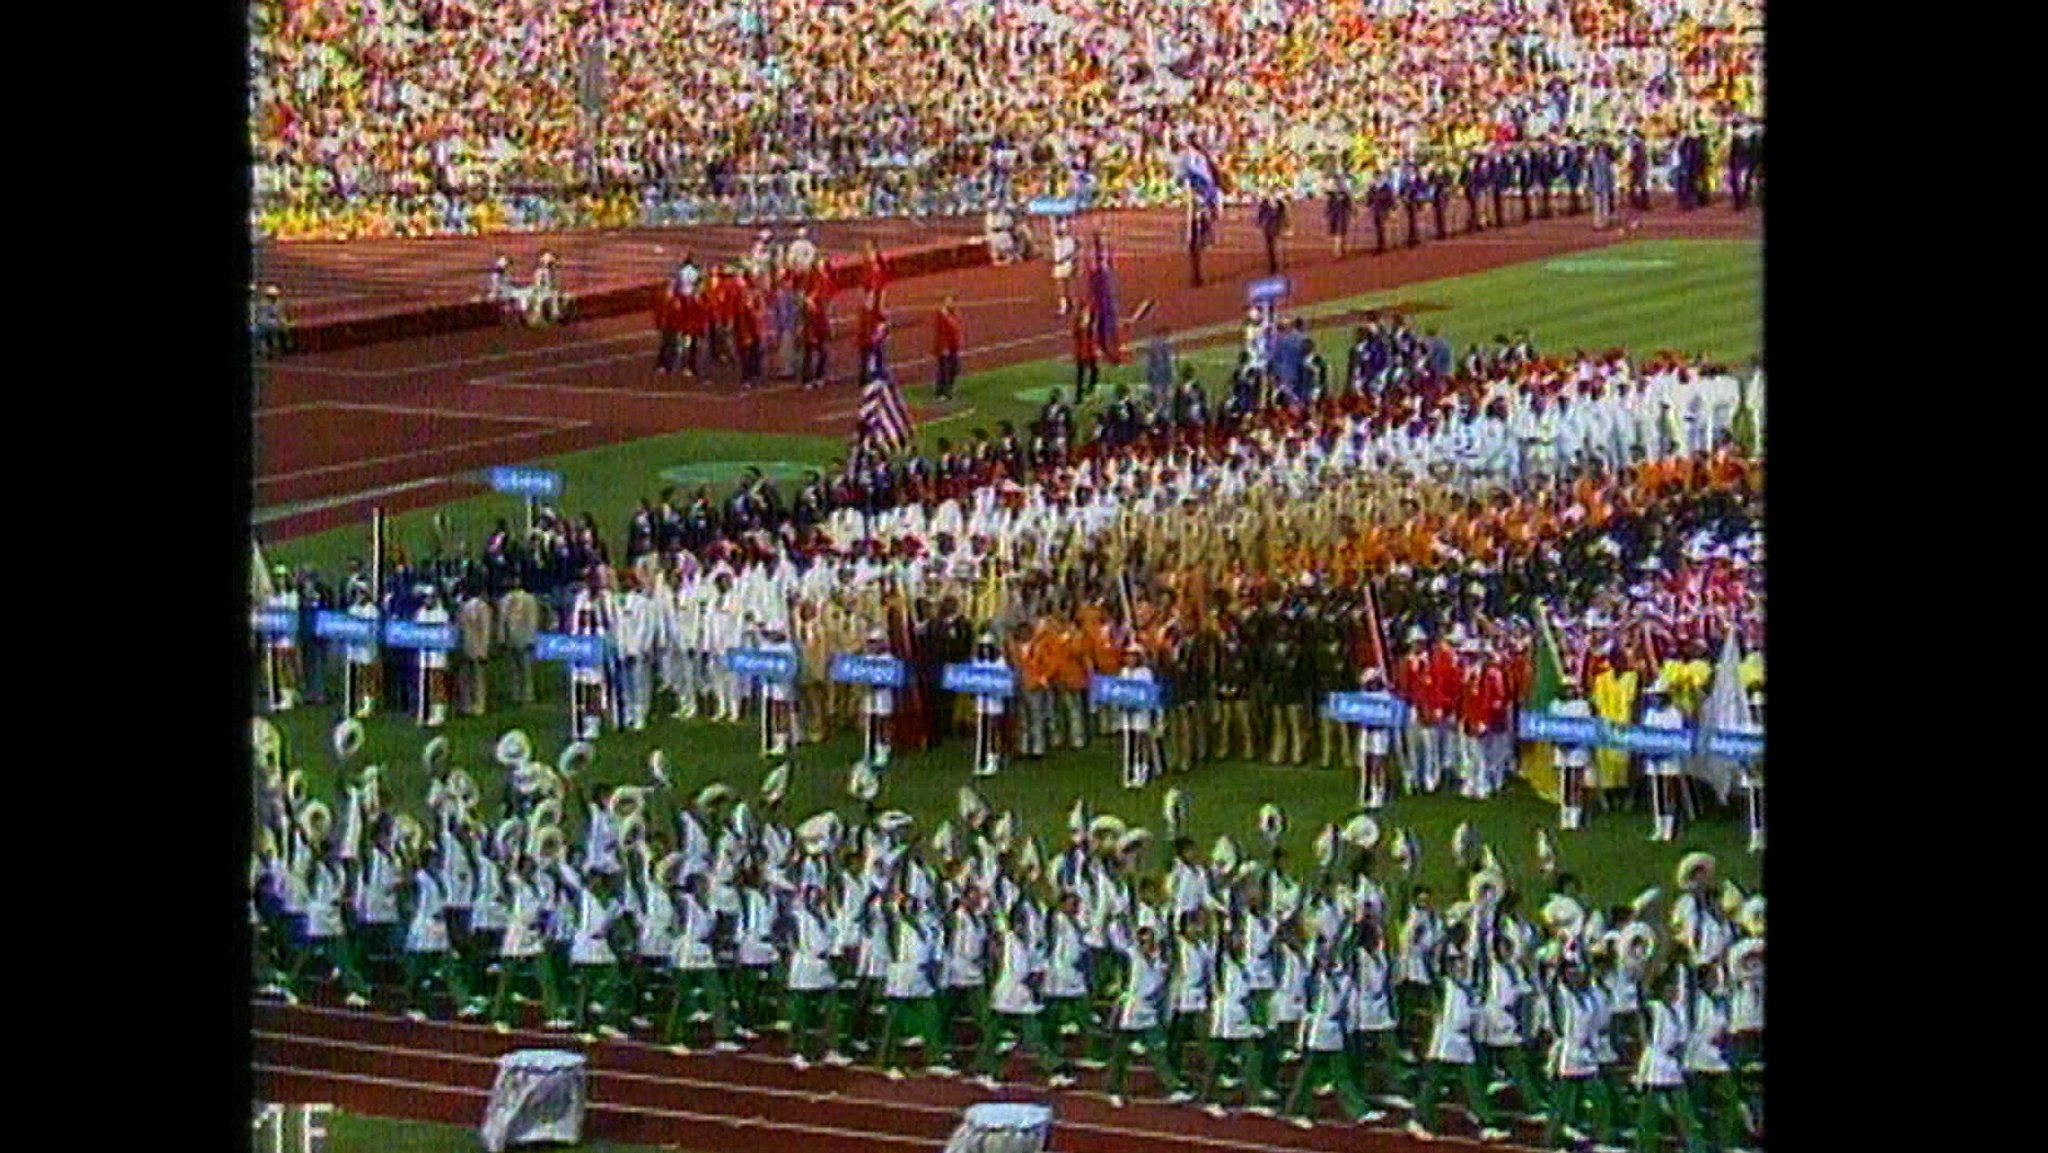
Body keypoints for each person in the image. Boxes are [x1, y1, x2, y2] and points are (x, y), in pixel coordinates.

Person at [497, 575, 540, 708]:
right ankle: (519, 694)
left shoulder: (527, 599)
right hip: (516, 637)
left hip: (521, 636)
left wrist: (532, 637)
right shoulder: (506, 600)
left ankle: (525, 694)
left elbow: (533, 620)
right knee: (517, 668)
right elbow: (502, 621)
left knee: (523, 667)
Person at [414, 584, 453, 727]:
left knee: (438, 684)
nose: (428, 601)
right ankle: (428, 712)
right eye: (426, 598)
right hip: (424, 656)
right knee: (427, 685)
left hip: (438, 656)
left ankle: (439, 713)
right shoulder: (420, 613)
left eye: (431, 598)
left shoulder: (442, 614)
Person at [455, 582, 493, 717]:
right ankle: (469, 704)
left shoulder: (480, 608)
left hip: (474, 646)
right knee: (469, 678)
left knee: (475, 678)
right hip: (469, 646)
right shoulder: (464, 608)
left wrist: (483, 649)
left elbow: (485, 630)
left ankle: (476, 705)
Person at [932, 296, 964, 401]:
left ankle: (949, 389)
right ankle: (941, 392)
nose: (950, 304)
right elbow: (942, 333)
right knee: (944, 370)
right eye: (948, 302)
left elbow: (957, 329)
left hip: (953, 346)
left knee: (954, 368)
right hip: (944, 348)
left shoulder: (955, 314)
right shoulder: (942, 316)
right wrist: (943, 348)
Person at [1257, 190, 1289, 275]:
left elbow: (1284, 215)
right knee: (1273, 246)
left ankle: (1276, 263)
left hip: (1272, 226)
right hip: (1272, 226)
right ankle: (1275, 263)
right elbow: (1261, 215)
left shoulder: (1277, 204)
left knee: (1275, 246)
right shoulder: (1274, 203)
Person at [1325, 175, 1354, 258]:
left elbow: (1349, 204)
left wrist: (1352, 212)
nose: (1335, 183)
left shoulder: (1345, 192)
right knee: (1337, 233)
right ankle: (1340, 249)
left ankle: (1337, 250)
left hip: (1342, 214)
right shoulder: (1331, 193)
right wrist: (1327, 212)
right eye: (1334, 182)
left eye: (1337, 181)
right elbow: (1329, 204)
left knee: (1340, 233)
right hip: (1334, 215)